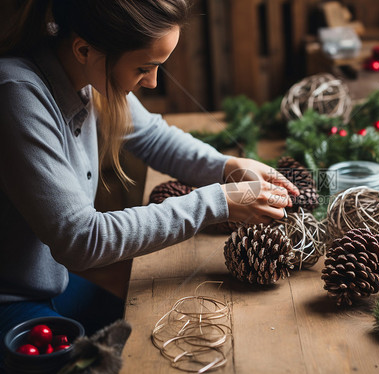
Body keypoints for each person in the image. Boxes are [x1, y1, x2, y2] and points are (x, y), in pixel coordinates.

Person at [0, 0, 298, 361]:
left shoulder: (85, 68)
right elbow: (80, 238)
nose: (153, 81)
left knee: (149, 330)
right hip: (13, 298)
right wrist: (216, 202)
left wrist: (227, 166)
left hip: (52, 281)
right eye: (145, 67)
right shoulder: (16, 94)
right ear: (84, 49)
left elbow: (153, 137)